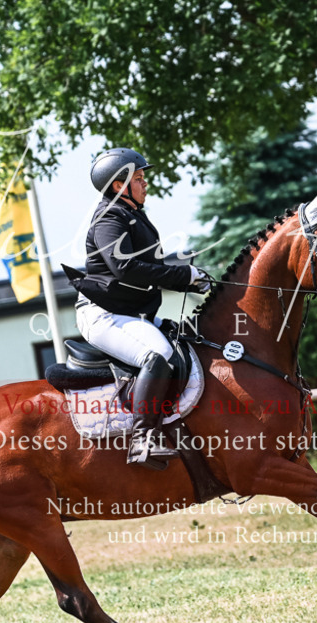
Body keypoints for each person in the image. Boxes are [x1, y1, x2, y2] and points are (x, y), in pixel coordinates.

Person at [65, 148, 211, 469]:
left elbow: (148, 268)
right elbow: (124, 268)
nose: (146, 184)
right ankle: (143, 439)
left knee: (184, 338)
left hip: (133, 313)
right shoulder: (108, 219)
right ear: (119, 185)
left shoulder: (131, 214)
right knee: (156, 355)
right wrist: (183, 276)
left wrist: (191, 275)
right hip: (103, 314)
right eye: (140, 178)